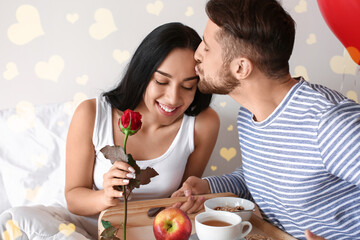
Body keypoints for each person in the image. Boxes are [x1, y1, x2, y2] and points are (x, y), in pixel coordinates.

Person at [0, 22, 219, 240]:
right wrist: (106, 196)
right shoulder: (91, 113)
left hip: (148, 233)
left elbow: (181, 198)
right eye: (161, 81)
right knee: (19, 219)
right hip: (82, 229)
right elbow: (74, 198)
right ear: (142, 74)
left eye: (188, 86)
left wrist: (188, 198)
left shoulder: (203, 124)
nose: (173, 98)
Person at [172, 1, 360, 240]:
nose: (197, 54)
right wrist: (209, 186)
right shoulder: (250, 116)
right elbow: (265, 179)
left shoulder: (329, 124)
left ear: (241, 68)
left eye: (207, 48)